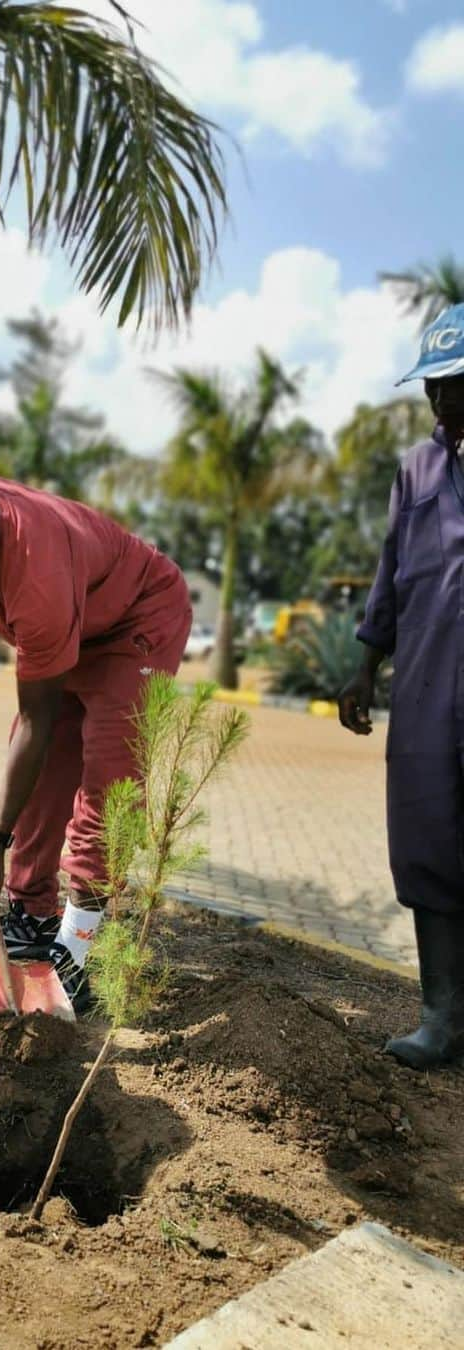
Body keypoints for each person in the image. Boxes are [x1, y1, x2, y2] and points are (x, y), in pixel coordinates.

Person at [0, 449, 192, 1013]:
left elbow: (35, 715)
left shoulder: (36, 569)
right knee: (45, 762)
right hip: (80, 619)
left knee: (109, 776)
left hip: (137, 620)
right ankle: (33, 917)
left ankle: (80, 946)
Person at [339, 303, 464, 1069]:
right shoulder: (416, 468)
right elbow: (390, 570)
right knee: (428, 842)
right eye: (433, 388)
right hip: (425, 685)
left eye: (456, 383)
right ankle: (442, 1019)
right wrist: (364, 662)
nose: (442, 401)